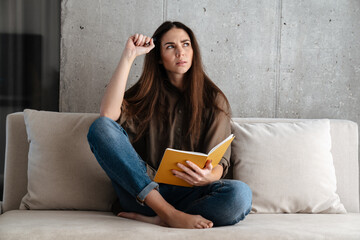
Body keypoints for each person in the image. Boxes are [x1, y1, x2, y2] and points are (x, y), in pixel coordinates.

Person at [87, 21, 252, 229]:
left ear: (193, 51)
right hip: (144, 194)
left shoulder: (213, 99)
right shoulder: (143, 96)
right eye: (170, 47)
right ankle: (169, 215)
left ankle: (161, 219)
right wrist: (129, 56)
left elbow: (221, 164)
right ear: (158, 58)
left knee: (240, 194)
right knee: (100, 127)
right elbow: (108, 115)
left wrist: (207, 176)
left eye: (186, 44)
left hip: (191, 193)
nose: (180, 52)